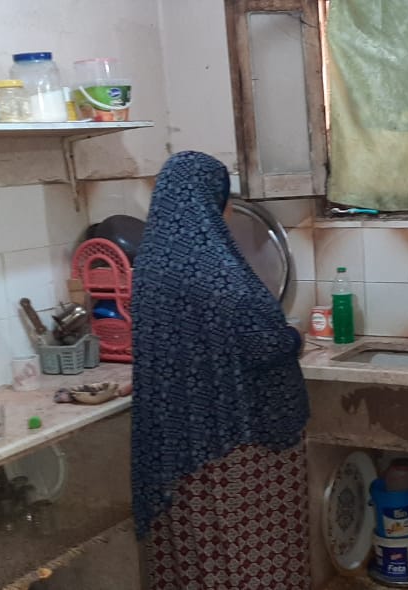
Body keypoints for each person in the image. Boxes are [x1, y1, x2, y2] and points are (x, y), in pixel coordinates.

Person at [130, 151, 310, 589]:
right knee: (250, 554)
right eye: (223, 200)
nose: (227, 211)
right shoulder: (217, 272)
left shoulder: (151, 264)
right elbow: (263, 343)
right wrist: (294, 338)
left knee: (195, 556)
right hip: (233, 445)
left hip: (175, 446)